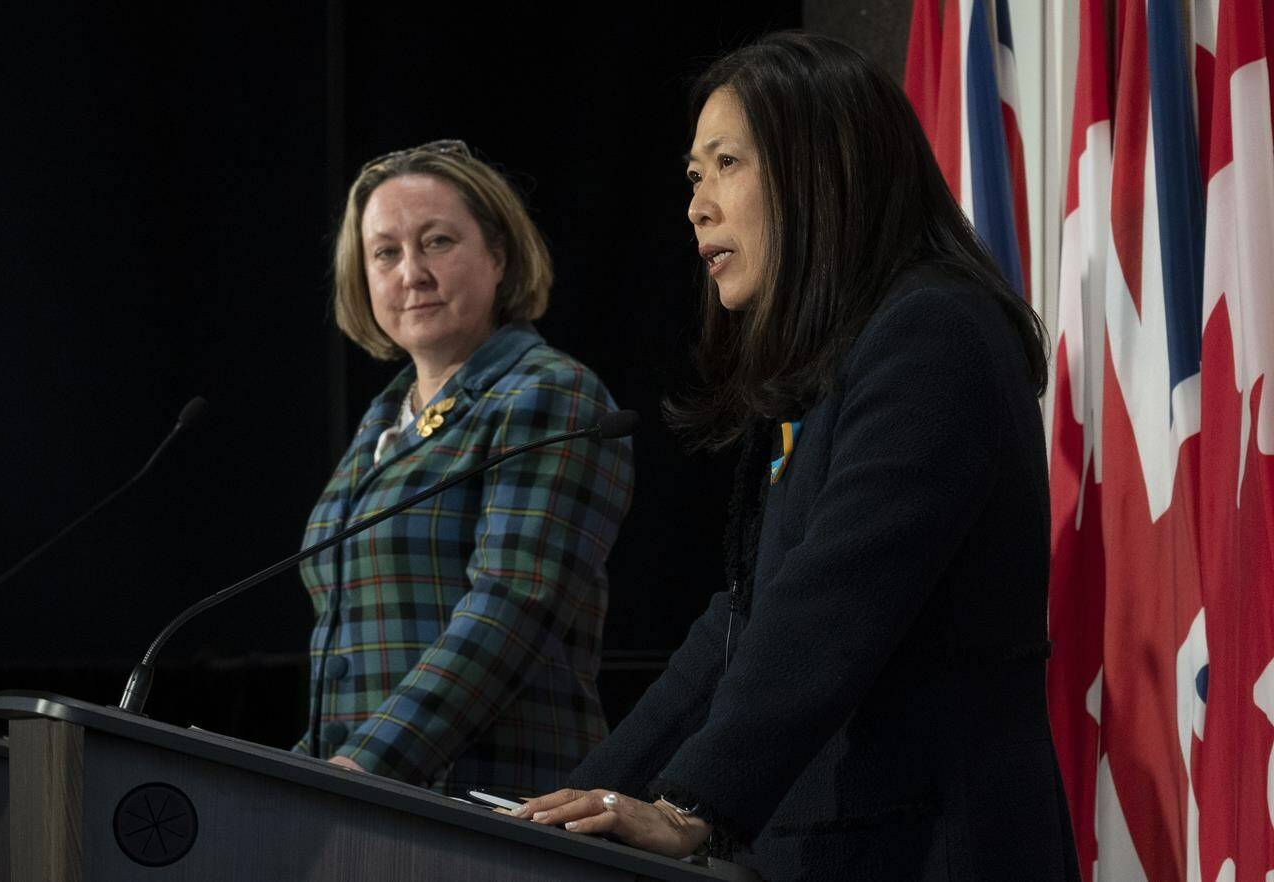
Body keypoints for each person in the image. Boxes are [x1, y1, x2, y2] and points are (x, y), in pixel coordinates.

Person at [515, 33, 1080, 881]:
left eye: (726, 163)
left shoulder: (935, 335)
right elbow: (742, 621)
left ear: (825, 168)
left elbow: (839, 594)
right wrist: (574, 804)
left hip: (933, 849)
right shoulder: (831, 366)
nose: (697, 205)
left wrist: (691, 804)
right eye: (692, 176)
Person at [294, 140, 634, 800]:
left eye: (438, 241)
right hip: (370, 812)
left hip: (497, 811)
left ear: (499, 256)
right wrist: (284, 779)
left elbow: (510, 606)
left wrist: (362, 770)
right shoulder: (382, 421)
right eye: (385, 252)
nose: (411, 272)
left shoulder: (549, 395)